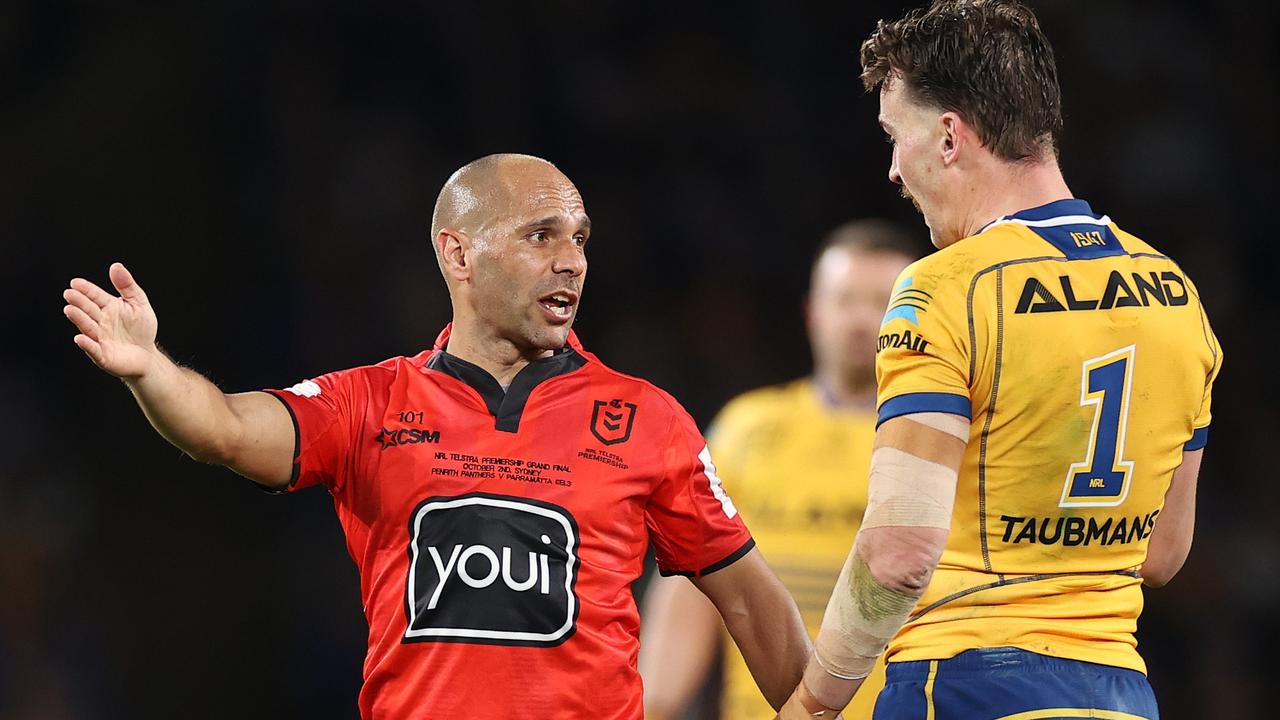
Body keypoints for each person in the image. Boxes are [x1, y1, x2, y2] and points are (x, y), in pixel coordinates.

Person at [61, 153, 812, 720]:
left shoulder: (646, 418)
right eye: (540, 234)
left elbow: (747, 601)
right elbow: (224, 429)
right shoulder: (370, 403)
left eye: (579, 237)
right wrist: (149, 370)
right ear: (458, 254)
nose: (573, 260)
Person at [778, 2, 1223, 719]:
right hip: (1118, 692)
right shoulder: (1176, 294)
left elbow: (900, 553)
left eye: (896, 138)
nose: (893, 169)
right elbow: (1163, 552)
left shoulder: (942, 289)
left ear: (950, 137)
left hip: (962, 683)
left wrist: (811, 705)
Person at [639, 220, 920, 720]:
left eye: (881, 301)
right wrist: (655, 707)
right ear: (813, 313)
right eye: (844, 299)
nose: (860, 320)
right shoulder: (747, 429)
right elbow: (690, 582)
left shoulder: (934, 441)